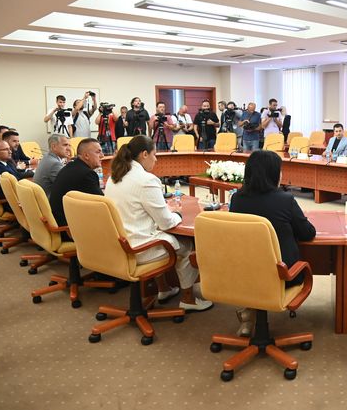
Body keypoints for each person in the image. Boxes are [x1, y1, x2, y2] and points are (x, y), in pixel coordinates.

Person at [104, 135, 212, 312]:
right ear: (144, 154)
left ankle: (164, 288)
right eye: (154, 154)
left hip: (119, 245)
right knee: (187, 245)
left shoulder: (114, 176)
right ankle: (188, 299)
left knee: (166, 239)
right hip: (139, 248)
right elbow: (166, 223)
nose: (156, 159)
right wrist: (177, 215)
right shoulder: (146, 180)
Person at [229, 150, 316, 335]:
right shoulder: (285, 200)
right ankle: (252, 313)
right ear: (273, 174)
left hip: (245, 275)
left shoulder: (237, 199)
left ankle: (249, 314)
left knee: (256, 267)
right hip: (282, 275)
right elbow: (308, 233)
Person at [48, 138, 104, 227]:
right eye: (98, 152)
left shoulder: (71, 166)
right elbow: (103, 205)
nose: (102, 155)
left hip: (60, 221)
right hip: (68, 228)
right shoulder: (87, 174)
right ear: (86, 156)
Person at [34, 134, 71, 198]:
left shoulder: (47, 157)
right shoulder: (55, 164)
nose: (68, 149)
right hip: (50, 201)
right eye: (65, 145)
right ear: (54, 147)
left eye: (69, 145)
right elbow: (68, 186)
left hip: (42, 199)